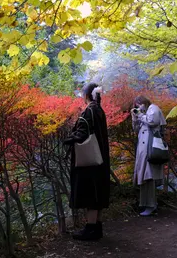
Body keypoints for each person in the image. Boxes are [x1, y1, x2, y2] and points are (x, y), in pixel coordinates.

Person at [63, 83, 110, 241]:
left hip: (88, 161)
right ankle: (97, 227)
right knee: (98, 194)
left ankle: (90, 229)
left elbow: (82, 134)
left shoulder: (89, 111)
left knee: (90, 193)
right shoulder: (99, 110)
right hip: (100, 157)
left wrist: (68, 139)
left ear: (86, 95)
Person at [131, 95, 166, 216]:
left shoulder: (153, 108)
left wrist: (140, 115)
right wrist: (134, 117)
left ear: (143, 102)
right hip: (143, 150)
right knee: (144, 178)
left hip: (150, 148)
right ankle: (146, 204)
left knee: (149, 177)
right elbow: (135, 130)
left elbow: (152, 121)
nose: (138, 107)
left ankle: (151, 205)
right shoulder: (144, 114)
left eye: (139, 104)